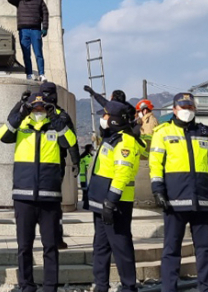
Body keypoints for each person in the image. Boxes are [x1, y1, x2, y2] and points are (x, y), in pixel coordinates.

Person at [149, 93, 208, 292]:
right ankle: (169, 288)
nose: (187, 111)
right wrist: (157, 190)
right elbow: (155, 164)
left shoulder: (205, 133)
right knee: (171, 249)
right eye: (183, 107)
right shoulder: (162, 132)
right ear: (174, 109)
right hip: (174, 201)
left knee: (203, 249)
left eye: (190, 107)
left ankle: (207, 288)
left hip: (202, 201)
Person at [0, 93, 77, 292]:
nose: (39, 111)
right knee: (24, 246)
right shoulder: (21, 125)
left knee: (50, 246)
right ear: (30, 108)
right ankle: (26, 285)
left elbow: (70, 141)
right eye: (35, 107)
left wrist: (56, 119)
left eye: (43, 107)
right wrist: (19, 112)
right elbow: (2, 135)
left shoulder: (55, 126)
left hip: (49, 196)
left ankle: (50, 286)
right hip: (23, 196)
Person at [86, 101, 142, 292]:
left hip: (116, 203)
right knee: (100, 247)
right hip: (102, 202)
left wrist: (111, 200)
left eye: (107, 116)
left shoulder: (125, 141)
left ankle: (128, 287)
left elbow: (122, 173)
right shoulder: (112, 138)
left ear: (116, 120)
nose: (104, 118)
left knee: (121, 247)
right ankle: (101, 286)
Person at [39, 82, 80, 249]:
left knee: (53, 205)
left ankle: (56, 237)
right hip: (34, 166)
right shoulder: (32, 113)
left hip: (56, 165)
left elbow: (71, 141)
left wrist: (75, 160)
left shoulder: (61, 116)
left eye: (50, 94)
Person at [7, 0, 49, 81]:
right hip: (23, 30)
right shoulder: (20, 1)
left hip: (36, 30)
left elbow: (45, 14)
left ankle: (41, 74)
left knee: (38, 53)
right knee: (26, 54)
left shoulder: (39, 1)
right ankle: (29, 73)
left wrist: (45, 28)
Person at [79, 144, 93, 210]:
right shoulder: (88, 157)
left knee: (84, 193)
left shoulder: (82, 157)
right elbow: (90, 167)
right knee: (87, 192)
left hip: (82, 177)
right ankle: (86, 206)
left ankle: (84, 204)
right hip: (87, 177)